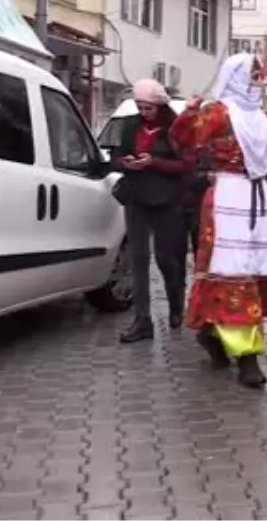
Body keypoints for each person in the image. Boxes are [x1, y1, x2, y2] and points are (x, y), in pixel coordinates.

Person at [170, 53, 267, 388]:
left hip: (258, 201)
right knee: (231, 272)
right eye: (253, 74)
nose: (258, 80)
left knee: (250, 272)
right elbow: (184, 141)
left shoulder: (266, 116)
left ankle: (213, 334)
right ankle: (247, 357)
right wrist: (189, 113)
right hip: (227, 198)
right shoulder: (218, 111)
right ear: (237, 77)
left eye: (260, 75)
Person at [113, 78, 189, 343]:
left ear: (159, 106)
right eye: (140, 107)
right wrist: (127, 162)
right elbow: (116, 156)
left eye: (149, 108)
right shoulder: (130, 126)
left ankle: (176, 305)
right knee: (138, 258)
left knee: (166, 258)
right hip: (136, 198)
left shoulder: (175, 129)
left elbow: (184, 165)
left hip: (166, 201)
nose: (144, 113)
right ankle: (142, 320)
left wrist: (154, 162)